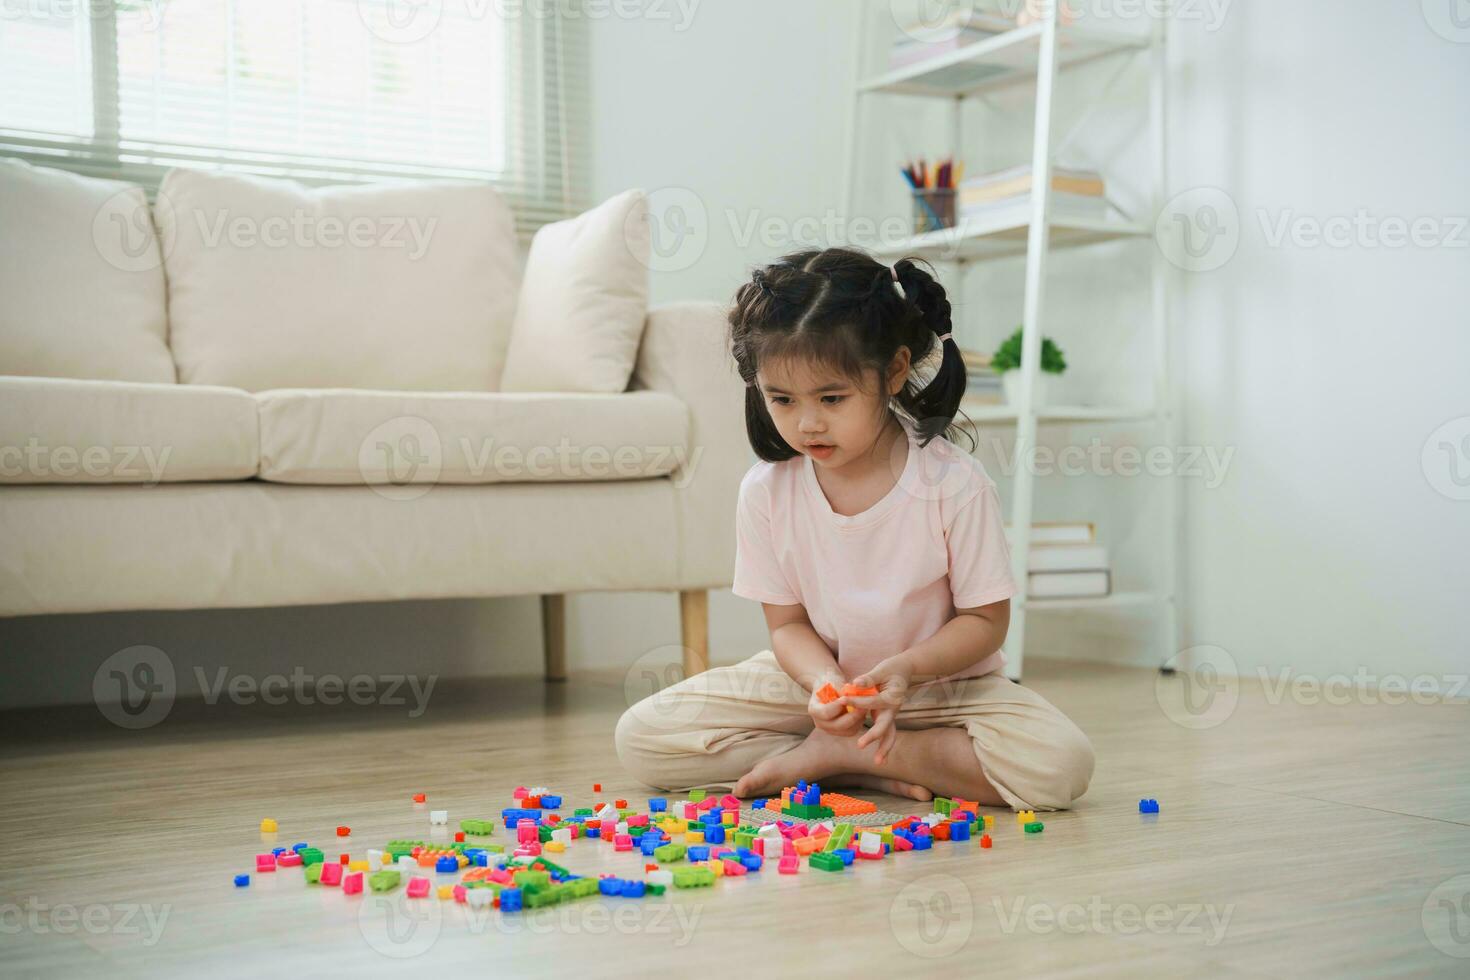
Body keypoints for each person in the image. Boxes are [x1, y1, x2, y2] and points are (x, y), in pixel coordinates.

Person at [616, 247, 1094, 810]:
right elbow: (788, 626)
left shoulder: (954, 484)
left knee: (1061, 765)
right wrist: (825, 687)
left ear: (892, 371)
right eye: (782, 399)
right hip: (818, 688)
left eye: (832, 398)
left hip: (941, 688)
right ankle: (842, 746)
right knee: (643, 737)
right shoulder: (766, 491)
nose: (807, 422)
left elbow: (986, 622)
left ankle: (851, 757)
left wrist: (905, 672)